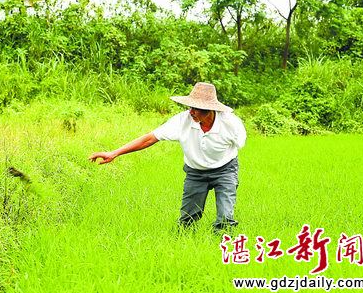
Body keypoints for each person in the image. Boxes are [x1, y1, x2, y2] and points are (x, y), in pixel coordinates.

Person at [89, 82, 247, 230]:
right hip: (195, 172)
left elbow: (238, 146)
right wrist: (114, 153)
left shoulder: (231, 124)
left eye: (195, 109)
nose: (190, 112)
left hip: (225, 170)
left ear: (209, 110)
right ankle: (185, 244)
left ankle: (222, 247)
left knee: (226, 217)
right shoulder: (182, 120)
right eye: (190, 107)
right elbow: (150, 138)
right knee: (187, 220)